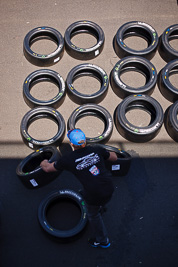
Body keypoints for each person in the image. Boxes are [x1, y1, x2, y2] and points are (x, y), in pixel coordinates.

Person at [40, 128, 117, 248]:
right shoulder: (96, 149)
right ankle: (101, 207)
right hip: (108, 186)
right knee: (96, 195)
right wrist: (102, 153)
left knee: (93, 215)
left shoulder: (68, 159)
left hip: (94, 194)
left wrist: (43, 161)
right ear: (85, 140)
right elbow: (114, 158)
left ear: (72, 144)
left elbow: (47, 168)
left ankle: (103, 240)